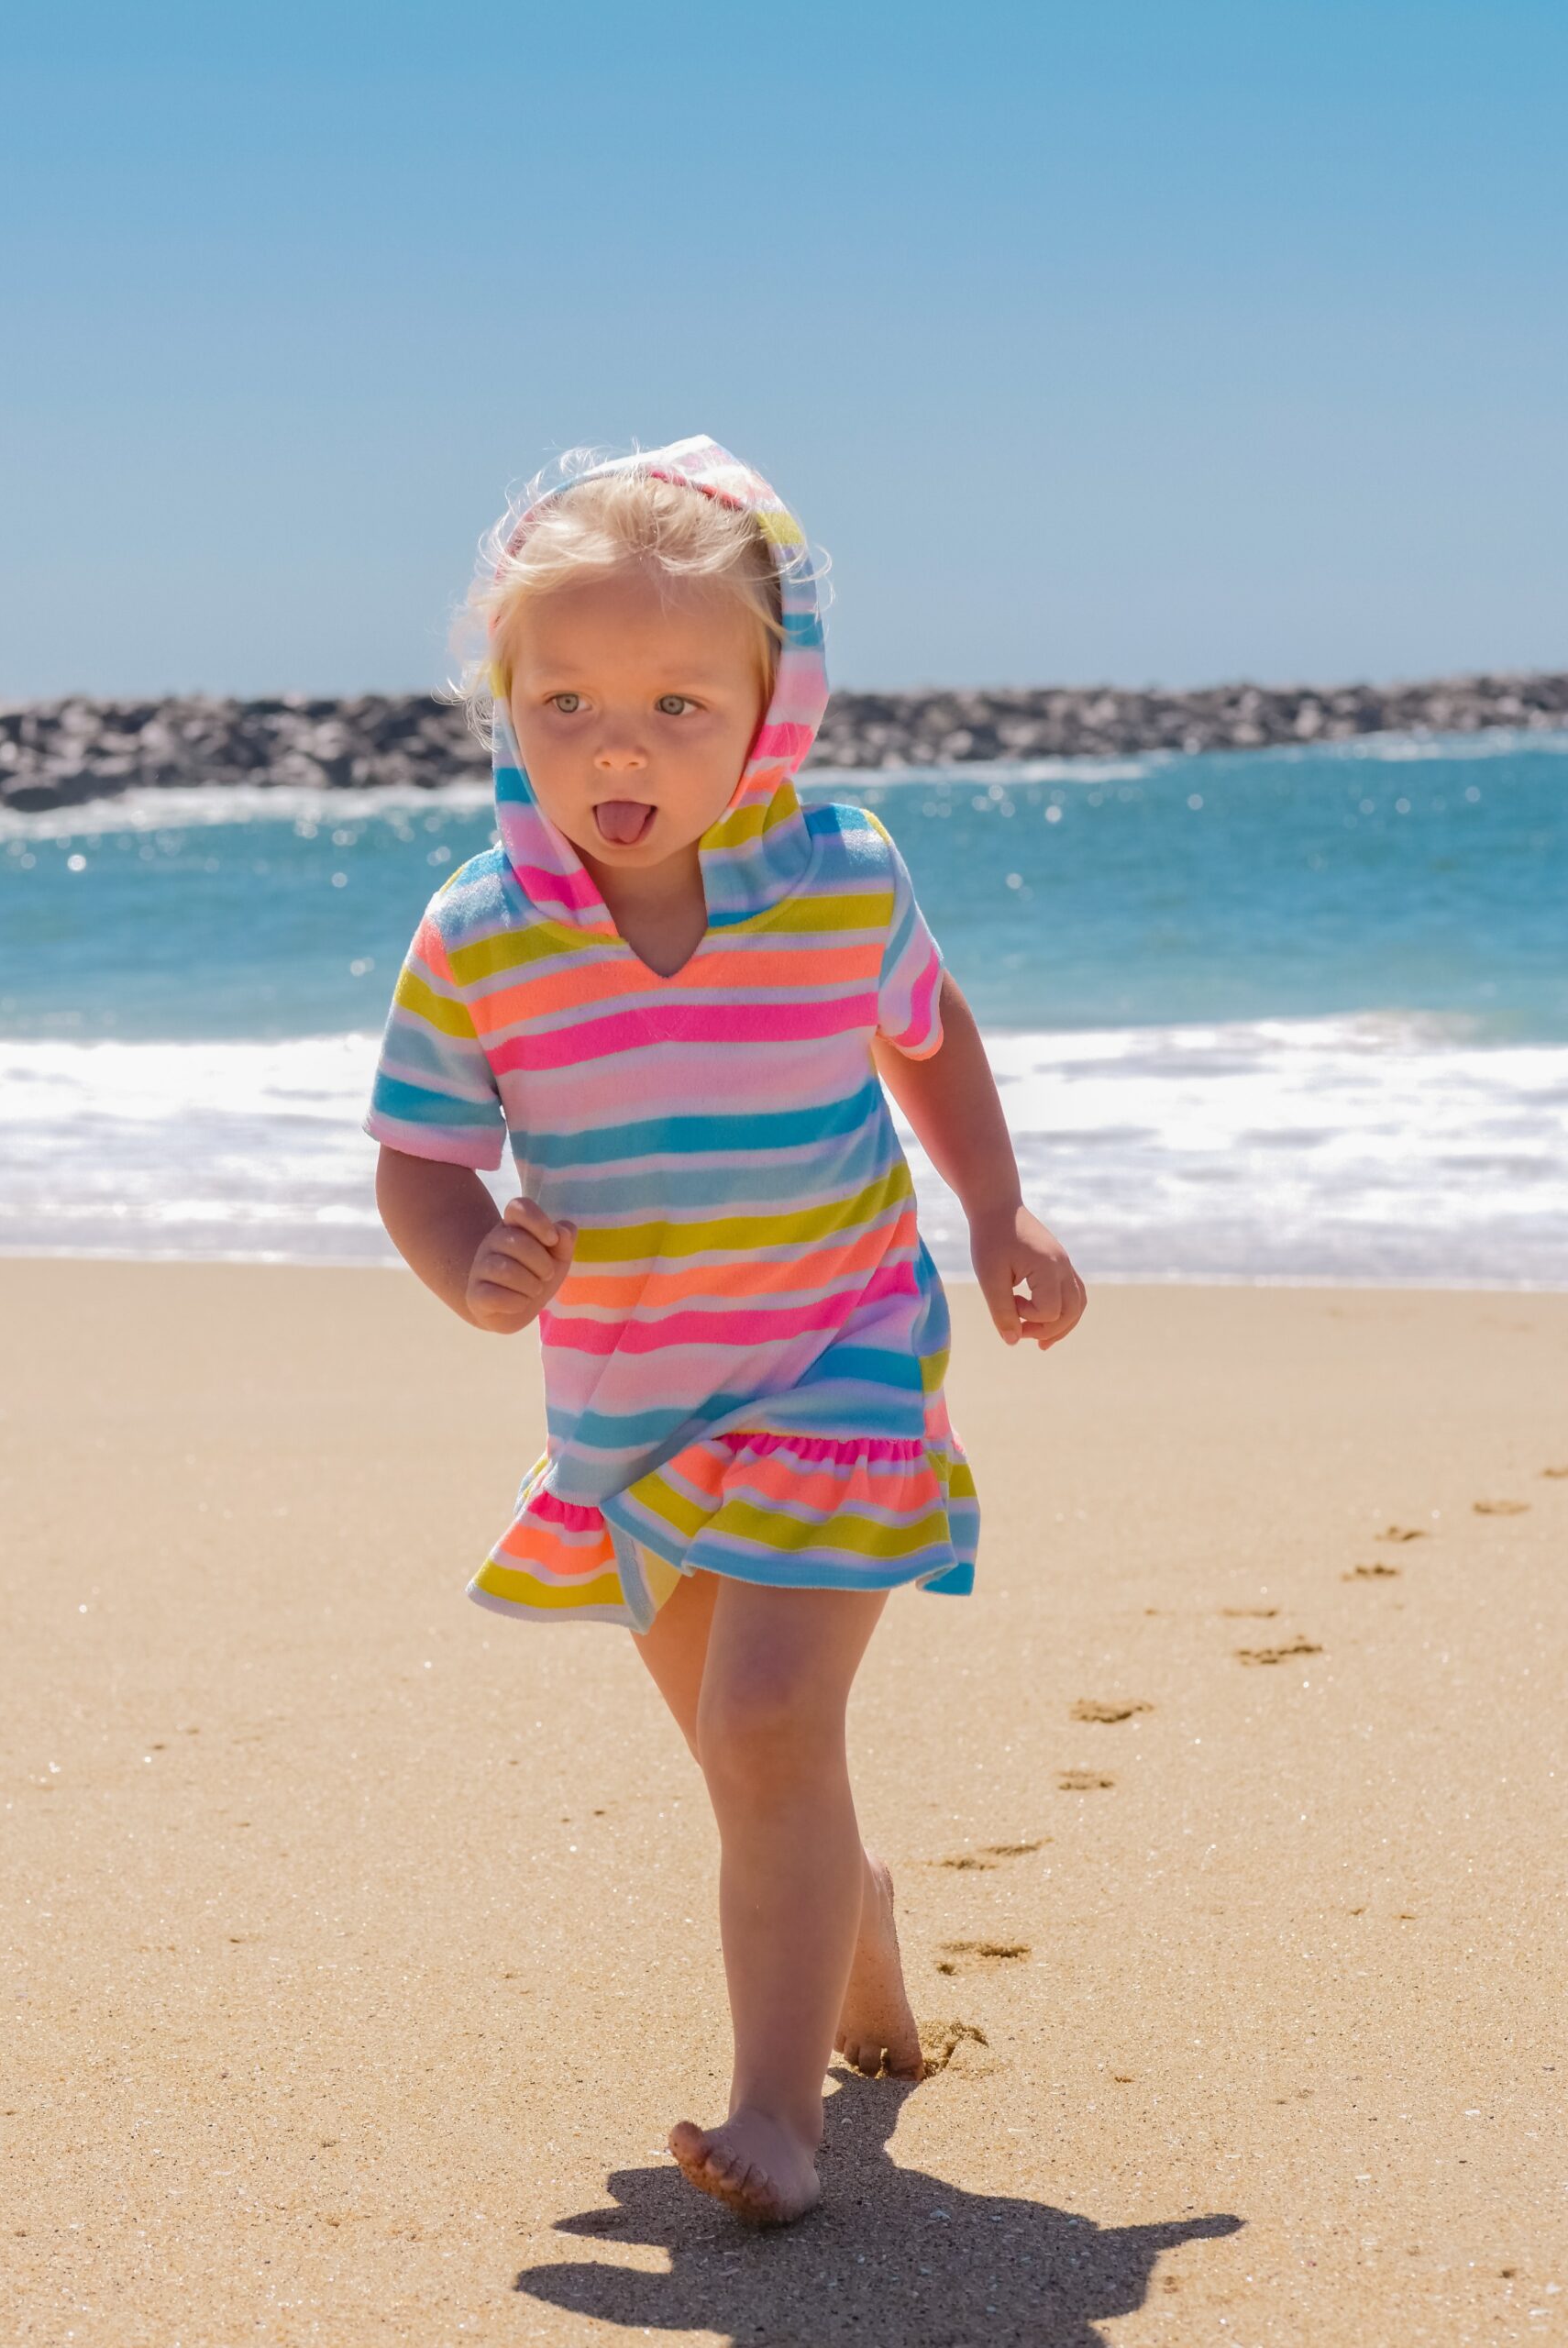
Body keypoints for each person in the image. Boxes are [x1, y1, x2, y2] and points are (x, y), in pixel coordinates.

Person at [367, 434, 1086, 2226]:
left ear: (777, 707)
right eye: (567, 703)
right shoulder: (481, 931)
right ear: (505, 707)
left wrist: (996, 1210)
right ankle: (860, 1941)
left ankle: (780, 2114)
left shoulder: (841, 875)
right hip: (634, 1409)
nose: (620, 746)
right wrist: (467, 1261)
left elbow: (927, 1034)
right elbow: (421, 1153)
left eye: (680, 703)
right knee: (747, 1748)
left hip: (840, 1351)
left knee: (769, 1716)